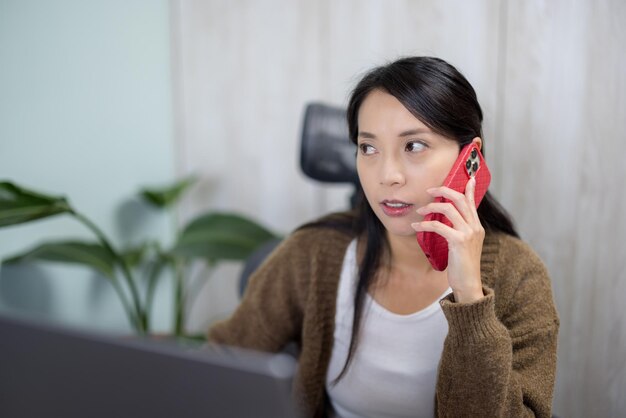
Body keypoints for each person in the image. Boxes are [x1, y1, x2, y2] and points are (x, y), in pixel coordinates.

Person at [208, 56, 559, 418]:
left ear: (469, 157)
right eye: (368, 148)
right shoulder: (313, 253)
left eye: (414, 146)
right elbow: (222, 362)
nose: (387, 175)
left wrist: (471, 300)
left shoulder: (520, 277)